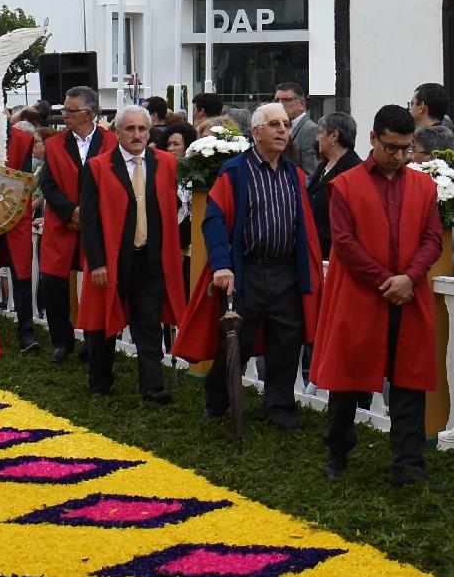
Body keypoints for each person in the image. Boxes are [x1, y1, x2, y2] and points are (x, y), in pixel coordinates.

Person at [315, 106, 445, 482]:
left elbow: (433, 239)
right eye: (391, 148)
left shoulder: (424, 186)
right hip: (360, 295)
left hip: (408, 295)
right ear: (373, 139)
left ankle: (409, 462)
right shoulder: (344, 185)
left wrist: (410, 278)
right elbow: (344, 243)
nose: (400, 156)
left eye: (406, 148)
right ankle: (337, 452)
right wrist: (389, 281)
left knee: (409, 378)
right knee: (347, 377)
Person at [178, 101, 323, 430]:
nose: (282, 130)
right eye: (274, 124)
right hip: (248, 272)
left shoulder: (295, 175)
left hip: (286, 272)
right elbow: (214, 220)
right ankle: (217, 402)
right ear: (256, 132)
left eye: (285, 124)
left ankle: (280, 409)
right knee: (236, 342)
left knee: (286, 343)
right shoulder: (234, 171)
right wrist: (221, 265)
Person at [78, 105, 185, 403]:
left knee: (148, 323)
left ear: (149, 132)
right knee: (103, 324)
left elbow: (174, 206)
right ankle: (100, 382)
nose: (136, 135)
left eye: (142, 129)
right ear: (117, 133)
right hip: (112, 260)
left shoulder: (165, 163)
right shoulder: (99, 166)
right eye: (130, 129)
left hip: (150, 259)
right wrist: (97, 262)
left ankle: (152, 386)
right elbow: (89, 220)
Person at [33, 88, 107, 362]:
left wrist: (88, 214)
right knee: (52, 282)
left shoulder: (111, 142)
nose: (64, 115)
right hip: (61, 224)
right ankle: (62, 341)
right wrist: (70, 211)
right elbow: (47, 184)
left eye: (69, 111)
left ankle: (92, 338)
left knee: (95, 283)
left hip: (97, 225)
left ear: (88, 114)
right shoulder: (54, 145)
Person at [0, 109, 44, 352]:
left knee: (22, 275)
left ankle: (26, 332)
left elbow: (24, 182)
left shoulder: (22, 141)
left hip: (15, 214)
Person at [310, 110, 362, 256]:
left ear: (334, 135)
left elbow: (349, 218)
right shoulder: (323, 166)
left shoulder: (354, 169)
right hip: (314, 249)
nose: (317, 138)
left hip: (333, 252)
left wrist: (315, 240)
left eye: (320, 132)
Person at [277, 82, 324, 178]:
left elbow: (311, 175)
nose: (280, 105)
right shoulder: (280, 128)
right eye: (277, 100)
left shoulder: (310, 129)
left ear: (302, 104)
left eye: (286, 100)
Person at [410, 82, 454, 153]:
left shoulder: (419, 145)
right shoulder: (449, 141)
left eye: (412, 104)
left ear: (421, 107)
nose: (410, 109)